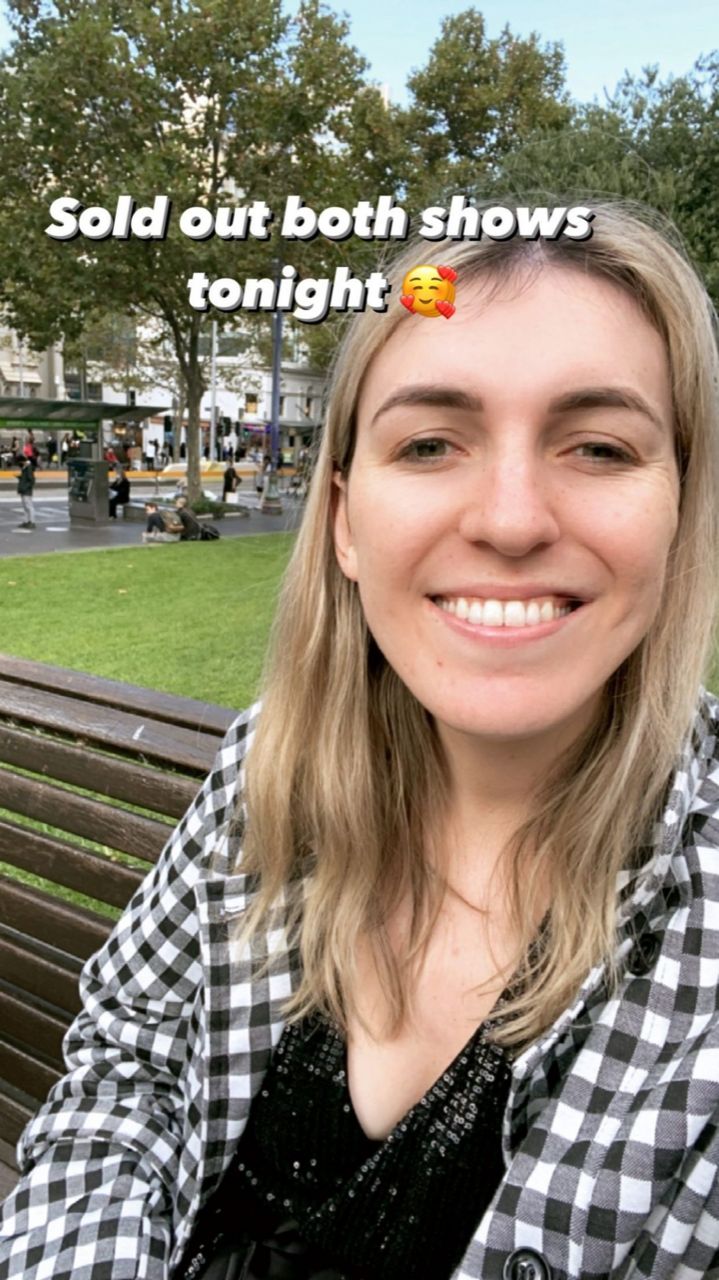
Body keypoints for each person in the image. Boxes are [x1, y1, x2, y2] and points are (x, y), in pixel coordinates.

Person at [2, 202, 719, 1280]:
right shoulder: (268, 770)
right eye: (429, 443)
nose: (510, 519)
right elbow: (126, 1070)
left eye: (598, 446)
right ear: (342, 518)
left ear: (680, 508)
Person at [15, 455, 36, 530]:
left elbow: (31, 480)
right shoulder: (25, 467)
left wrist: (25, 487)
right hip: (24, 490)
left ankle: (32, 522)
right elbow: (26, 478)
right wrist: (20, 477)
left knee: (29, 506)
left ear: (22, 461)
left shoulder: (28, 467)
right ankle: (26, 521)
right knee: (25, 507)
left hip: (26, 490)